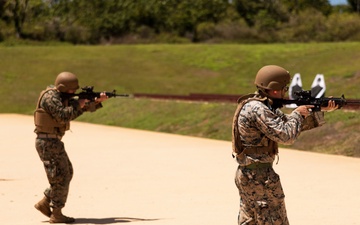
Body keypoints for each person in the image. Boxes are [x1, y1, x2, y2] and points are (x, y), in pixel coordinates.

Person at [232, 65, 338, 225]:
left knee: (250, 221)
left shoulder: (260, 105)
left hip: (252, 173)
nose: (285, 92)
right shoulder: (258, 109)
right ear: (274, 89)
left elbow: (287, 123)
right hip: (260, 177)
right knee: (276, 221)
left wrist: (319, 110)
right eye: (283, 88)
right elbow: (286, 135)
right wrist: (297, 113)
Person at [34, 72, 108, 223]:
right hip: (48, 143)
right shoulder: (51, 98)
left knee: (67, 173)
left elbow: (76, 110)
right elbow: (63, 116)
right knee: (60, 177)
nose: (74, 93)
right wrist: (78, 103)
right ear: (62, 87)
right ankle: (56, 213)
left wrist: (96, 102)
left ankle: (45, 201)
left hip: (53, 142)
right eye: (71, 91)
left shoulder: (60, 97)